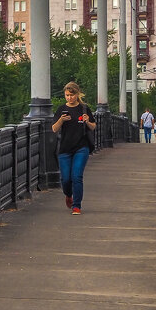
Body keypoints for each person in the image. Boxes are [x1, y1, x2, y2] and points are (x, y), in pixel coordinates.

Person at [52, 81, 96, 215]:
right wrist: (61, 120)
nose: (69, 98)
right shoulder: (61, 109)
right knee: (66, 179)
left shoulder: (84, 108)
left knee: (76, 176)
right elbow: (54, 129)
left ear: (77, 94)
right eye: (67, 95)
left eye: (72, 95)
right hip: (65, 148)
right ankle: (68, 194)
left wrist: (87, 121)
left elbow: (93, 127)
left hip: (81, 148)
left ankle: (77, 206)